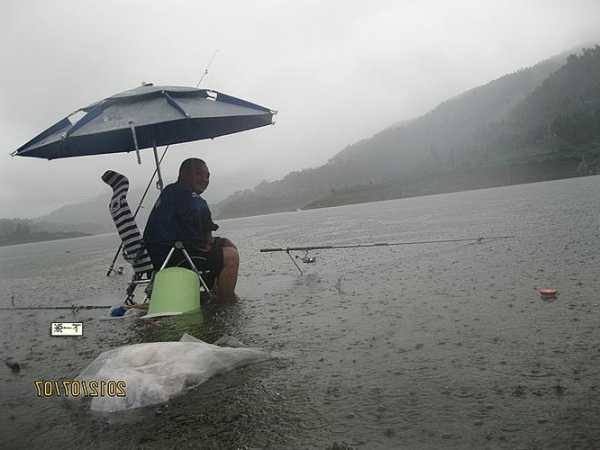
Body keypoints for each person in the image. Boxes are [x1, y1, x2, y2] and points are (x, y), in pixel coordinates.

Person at [143, 158, 239, 302]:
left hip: (160, 257)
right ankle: (226, 303)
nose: (204, 179)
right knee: (231, 256)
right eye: (199, 174)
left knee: (226, 245)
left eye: (207, 176)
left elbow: (197, 231)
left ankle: (215, 292)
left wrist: (217, 242)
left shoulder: (170, 191)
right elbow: (200, 240)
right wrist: (207, 244)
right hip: (174, 259)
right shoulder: (189, 197)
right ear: (183, 174)